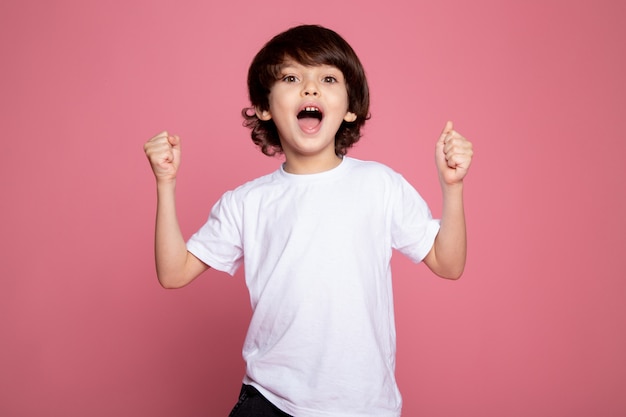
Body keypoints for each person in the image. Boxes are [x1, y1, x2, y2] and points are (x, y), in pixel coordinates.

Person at [144, 24, 473, 417]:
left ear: (351, 106)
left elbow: (448, 264)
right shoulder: (247, 202)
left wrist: (451, 188)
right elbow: (173, 272)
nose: (311, 88)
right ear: (264, 107)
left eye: (328, 78)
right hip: (270, 401)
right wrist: (166, 183)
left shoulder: (380, 185)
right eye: (291, 77)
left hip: (363, 405)